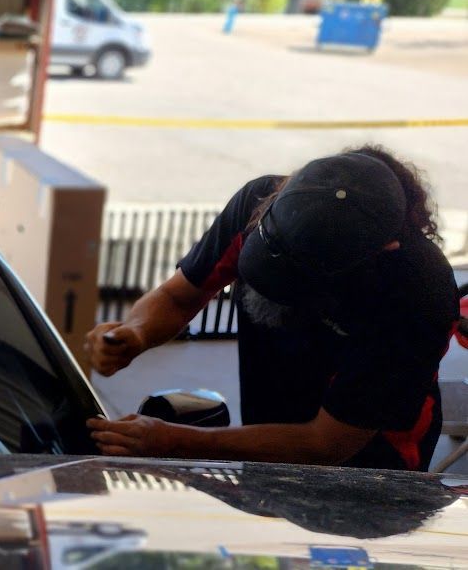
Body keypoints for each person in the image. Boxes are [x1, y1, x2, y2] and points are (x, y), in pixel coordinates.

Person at [85, 146, 458, 470]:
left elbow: (326, 445)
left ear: (380, 252)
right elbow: (178, 296)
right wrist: (135, 332)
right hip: (268, 433)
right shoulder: (257, 203)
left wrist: (175, 440)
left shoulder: (417, 293)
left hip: (370, 469)